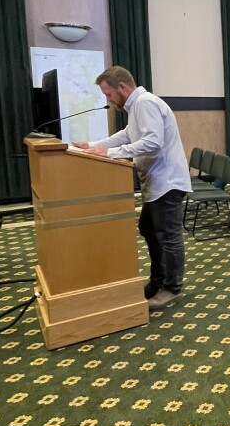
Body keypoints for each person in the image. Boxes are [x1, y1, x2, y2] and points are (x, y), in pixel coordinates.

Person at [74, 65, 191, 311]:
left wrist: (112, 153)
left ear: (123, 87)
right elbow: (128, 135)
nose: (108, 99)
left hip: (167, 182)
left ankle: (171, 288)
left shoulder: (145, 103)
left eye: (108, 94)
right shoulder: (136, 106)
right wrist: (93, 146)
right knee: (149, 229)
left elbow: (153, 143)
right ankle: (158, 281)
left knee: (169, 237)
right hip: (157, 182)